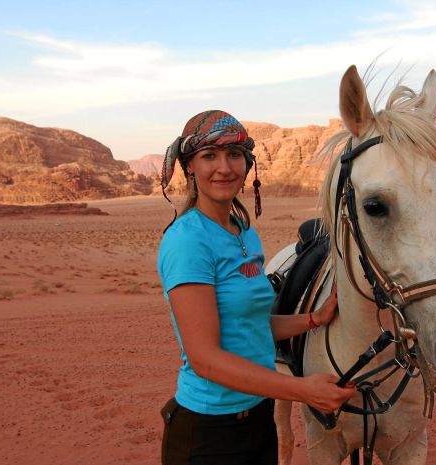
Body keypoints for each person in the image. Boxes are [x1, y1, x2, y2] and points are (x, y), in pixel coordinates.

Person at [156, 110, 356, 465]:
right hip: (209, 432)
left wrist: (313, 318)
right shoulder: (188, 241)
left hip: (258, 418)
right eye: (209, 156)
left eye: (235, 155)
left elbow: (249, 325)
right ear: (189, 167)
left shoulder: (243, 230)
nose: (225, 168)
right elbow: (205, 360)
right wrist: (303, 391)